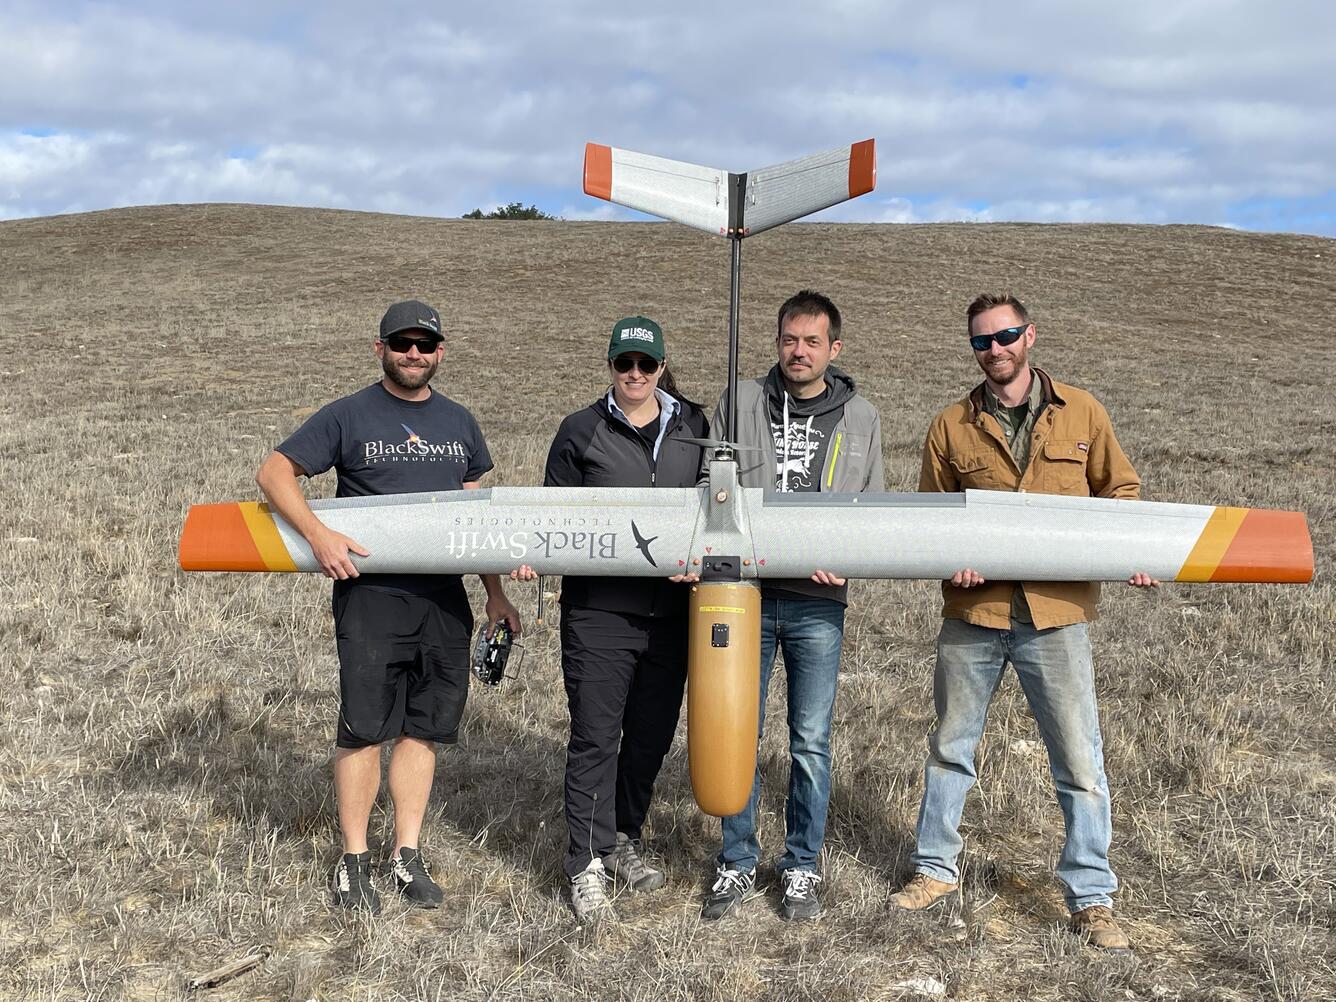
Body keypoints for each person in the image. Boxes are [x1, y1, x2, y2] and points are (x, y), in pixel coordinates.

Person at [891, 292, 1156, 953]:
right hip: (973, 614)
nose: (995, 349)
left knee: (1079, 760)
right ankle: (934, 870)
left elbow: (1121, 493)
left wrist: (1135, 552)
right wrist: (955, 564)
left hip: (1056, 614)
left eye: (1006, 335)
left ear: (1030, 335)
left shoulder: (1084, 412)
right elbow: (931, 522)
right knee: (950, 749)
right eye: (982, 340)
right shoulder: (950, 426)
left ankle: (1091, 898)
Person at [256, 299, 521, 914]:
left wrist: (496, 592)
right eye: (402, 343)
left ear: (440, 354)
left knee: (423, 730)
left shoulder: (460, 422)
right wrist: (319, 535)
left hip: (443, 602)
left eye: (425, 345)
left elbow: (471, 517)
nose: (414, 354)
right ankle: (353, 860)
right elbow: (274, 473)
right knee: (363, 729)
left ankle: (405, 854)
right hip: (370, 598)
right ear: (380, 349)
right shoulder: (349, 414)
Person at [513, 316, 709, 923]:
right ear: (610, 366)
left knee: (650, 736)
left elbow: (712, 503)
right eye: (624, 364)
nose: (634, 375)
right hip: (600, 613)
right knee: (597, 736)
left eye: (645, 366)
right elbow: (553, 515)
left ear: (661, 366)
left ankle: (622, 837)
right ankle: (586, 862)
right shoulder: (579, 430)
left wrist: (698, 556)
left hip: (675, 614)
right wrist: (534, 557)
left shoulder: (696, 425)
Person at [702, 290, 885, 921]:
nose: (798, 352)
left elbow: (873, 511)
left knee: (809, 740)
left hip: (817, 604)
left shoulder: (861, 417)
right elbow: (709, 491)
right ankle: (738, 860)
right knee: (736, 732)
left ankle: (801, 865)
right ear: (776, 341)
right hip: (742, 598)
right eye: (788, 339)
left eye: (811, 341)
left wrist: (848, 557)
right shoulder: (741, 401)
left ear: (835, 348)